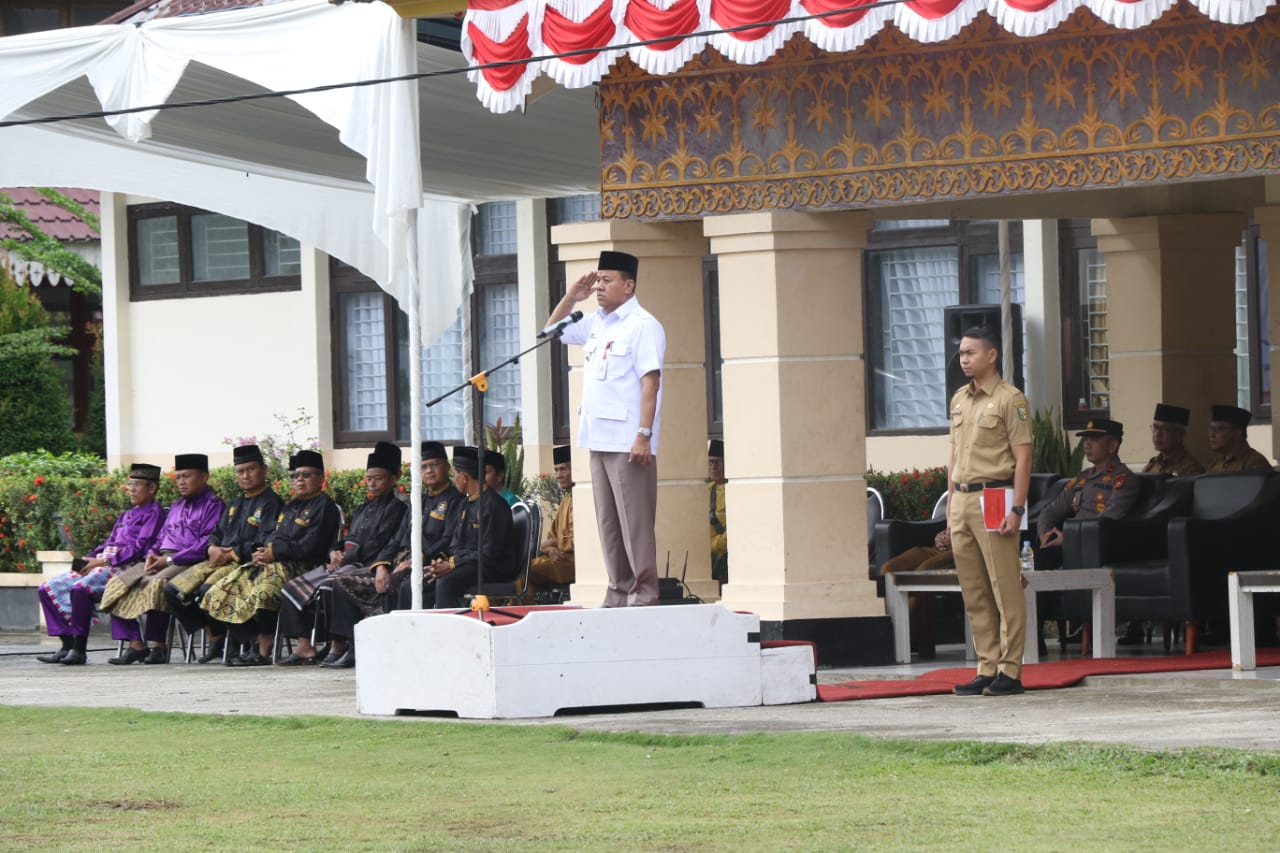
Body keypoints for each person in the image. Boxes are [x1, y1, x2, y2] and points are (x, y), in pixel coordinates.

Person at [547, 250, 665, 607]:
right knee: (608, 525)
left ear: (628, 286)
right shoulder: (597, 321)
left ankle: (643, 594)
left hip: (629, 441)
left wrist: (644, 435)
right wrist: (572, 297)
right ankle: (618, 591)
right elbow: (553, 331)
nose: (599, 287)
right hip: (597, 437)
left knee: (635, 525)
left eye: (607, 280)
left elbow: (650, 383)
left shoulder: (643, 325)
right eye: (597, 280)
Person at [947, 327, 1033, 698]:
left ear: (992, 355)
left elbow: (1023, 457)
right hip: (963, 498)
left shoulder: (1010, 400)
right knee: (974, 588)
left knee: (1004, 586)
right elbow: (953, 453)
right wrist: (950, 500)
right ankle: (987, 665)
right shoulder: (960, 400)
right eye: (962, 353)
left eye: (971, 352)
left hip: (996, 494)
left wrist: (1017, 507)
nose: (964, 359)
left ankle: (1010, 670)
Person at [200, 450, 341, 666]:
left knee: (263, 590)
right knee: (218, 591)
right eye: (295, 476)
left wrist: (273, 552)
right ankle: (253, 640)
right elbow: (273, 535)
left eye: (306, 475)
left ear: (321, 478)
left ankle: (264, 649)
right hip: (274, 563)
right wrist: (263, 552)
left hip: (304, 566)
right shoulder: (290, 506)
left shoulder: (325, 506)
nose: (299, 480)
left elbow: (311, 546)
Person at [276, 442, 406, 667]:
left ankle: (339, 644)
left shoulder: (397, 507)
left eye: (378, 478)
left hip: (365, 562)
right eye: (369, 478)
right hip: (344, 560)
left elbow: (377, 544)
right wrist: (334, 552)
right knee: (290, 588)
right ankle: (305, 645)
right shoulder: (365, 507)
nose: (372, 484)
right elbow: (345, 538)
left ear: (393, 479)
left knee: (330, 585)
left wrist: (345, 558)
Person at [163, 444, 284, 664]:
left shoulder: (272, 503)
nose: (245, 475)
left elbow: (264, 541)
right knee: (172, 590)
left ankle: (249, 640)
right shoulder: (234, 504)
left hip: (245, 564)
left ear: (264, 470)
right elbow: (216, 532)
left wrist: (232, 554)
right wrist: (211, 547)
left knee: (207, 591)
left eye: (251, 469)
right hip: (218, 559)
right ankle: (218, 637)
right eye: (240, 471)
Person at [99, 454, 224, 665]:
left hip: (188, 560)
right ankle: (135, 644)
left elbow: (204, 544)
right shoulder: (176, 506)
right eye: (178, 477)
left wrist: (167, 561)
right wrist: (152, 555)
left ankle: (158, 646)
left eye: (187, 476)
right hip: (162, 558)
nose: (181, 482)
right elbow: (160, 538)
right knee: (117, 582)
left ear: (204, 477)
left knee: (156, 584)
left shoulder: (213, 505)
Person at [36, 464, 165, 666]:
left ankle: (79, 649)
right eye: (130, 484)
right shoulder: (126, 514)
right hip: (102, 563)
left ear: (152, 488)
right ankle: (67, 643)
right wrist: (89, 559)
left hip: (126, 566)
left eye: (137, 485)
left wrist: (103, 561)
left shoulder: (155, 513)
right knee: (47, 587)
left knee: (81, 588)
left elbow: (140, 548)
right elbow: (108, 543)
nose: (131, 489)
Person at [425, 445, 517, 609]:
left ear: (465, 477)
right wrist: (445, 561)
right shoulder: (467, 502)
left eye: (455, 475)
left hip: (491, 569)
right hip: (468, 564)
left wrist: (453, 564)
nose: (454, 480)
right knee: (423, 581)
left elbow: (489, 553)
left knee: (445, 584)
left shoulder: (494, 505)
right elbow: (455, 543)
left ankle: (451, 632)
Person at [1036, 419, 1139, 561]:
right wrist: (1045, 534)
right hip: (1070, 543)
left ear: (1112, 445)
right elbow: (1051, 510)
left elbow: (1110, 517)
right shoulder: (1083, 477)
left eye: (1094, 440)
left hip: (1096, 545)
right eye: (1086, 439)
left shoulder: (1123, 479)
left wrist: (1070, 537)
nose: (1086, 445)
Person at [387, 442, 468, 610]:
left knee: (406, 584)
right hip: (407, 560)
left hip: (435, 561)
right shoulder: (418, 500)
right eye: (423, 467)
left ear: (447, 466)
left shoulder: (457, 499)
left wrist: (417, 560)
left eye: (434, 465)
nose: (429, 471)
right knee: (383, 579)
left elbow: (448, 538)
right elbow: (399, 537)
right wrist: (382, 563)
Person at [524, 444, 575, 602]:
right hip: (558, 559)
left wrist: (554, 544)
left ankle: (522, 611)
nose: (558, 475)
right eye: (556, 470)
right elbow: (550, 540)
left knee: (525, 571)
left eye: (563, 469)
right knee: (521, 570)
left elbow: (577, 542)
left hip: (572, 563)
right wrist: (551, 548)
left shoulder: (585, 498)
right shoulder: (566, 500)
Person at [1141, 404, 1205, 476]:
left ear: (1180, 435)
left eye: (1165, 429)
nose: (1157, 434)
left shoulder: (1191, 469)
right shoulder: (1151, 467)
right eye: (1155, 427)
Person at [1205, 404, 1272, 472]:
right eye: (1211, 428)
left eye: (1220, 429)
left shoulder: (1254, 463)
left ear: (1238, 432)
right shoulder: (1215, 463)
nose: (1212, 434)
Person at [708, 439, 728, 586]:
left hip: (727, 556)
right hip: (709, 558)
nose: (713, 467)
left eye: (717, 462)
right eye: (710, 462)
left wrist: (715, 545)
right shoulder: (706, 490)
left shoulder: (735, 490)